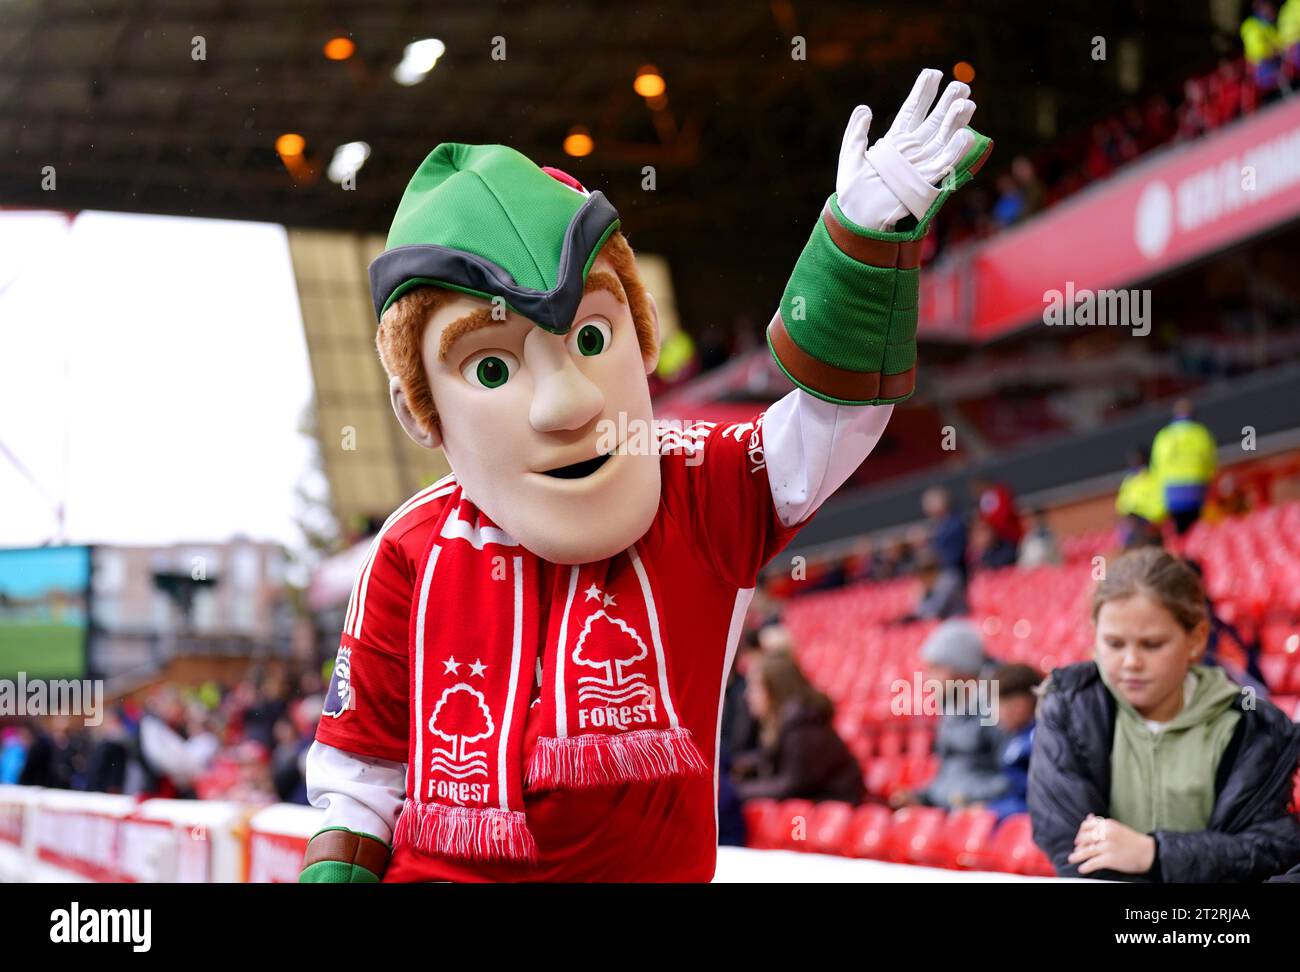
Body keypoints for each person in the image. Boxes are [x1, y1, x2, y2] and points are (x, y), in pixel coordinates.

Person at [301, 71, 992, 882]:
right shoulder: (411, 551)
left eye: (590, 338)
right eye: (491, 369)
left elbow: (829, 426)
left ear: (640, 332)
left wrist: (860, 245)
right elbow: (363, 776)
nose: (565, 404)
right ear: (422, 411)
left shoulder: (699, 491)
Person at [1028, 547, 1300, 881]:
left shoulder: (1254, 726)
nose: (1131, 662)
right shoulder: (1068, 710)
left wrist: (1154, 853)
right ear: (1094, 633)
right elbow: (1069, 847)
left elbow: (1270, 850)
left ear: (1196, 639)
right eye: (1114, 644)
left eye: (1152, 644)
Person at [893, 620, 1007, 810]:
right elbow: (950, 773)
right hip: (952, 809)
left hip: (982, 818)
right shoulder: (950, 706)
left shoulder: (998, 707)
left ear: (963, 670)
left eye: (936, 668)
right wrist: (924, 797)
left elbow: (1012, 779)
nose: (928, 679)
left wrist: (963, 799)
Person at [732, 653, 864, 805]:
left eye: (755, 688)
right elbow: (767, 760)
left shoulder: (803, 728)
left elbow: (791, 785)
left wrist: (735, 790)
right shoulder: (790, 722)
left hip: (836, 812)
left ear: (775, 690)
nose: (747, 695)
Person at [1149, 399, 1216, 535]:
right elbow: (1210, 462)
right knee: (1197, 531)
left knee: (1179, 532)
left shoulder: (1164, 435)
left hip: (1172, 490)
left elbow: (1156, 466)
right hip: (1197, 487)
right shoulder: (1200, 433)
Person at [985, 664, 1042, 821]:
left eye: (997, 704)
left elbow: (1034, 802)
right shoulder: (1015, 739)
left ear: (1019, 706)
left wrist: (991, 811)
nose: (992, 712)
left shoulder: (1036, 743)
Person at [1115, 445, 1166, 547]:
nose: (1134, 461)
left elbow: (1160, 505)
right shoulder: (1129, 480)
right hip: (1133, 522)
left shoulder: (1154, 477)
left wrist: (1145, 517)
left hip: (1150, 523)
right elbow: (1121, 505)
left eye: (1137, 458)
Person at [972, 477, 1023, 568]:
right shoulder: (985, 498)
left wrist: (992, 530)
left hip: (1008, 538)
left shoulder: (998, 493)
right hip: (994, 542)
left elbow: (1002, 517)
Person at [1241, 1, 1284, 93]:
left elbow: (1280, 42)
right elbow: (1257, 50)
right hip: (1264, 68)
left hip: (1278, 62)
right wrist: (1274, 50)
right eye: (1268, 6)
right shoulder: (1251, 26)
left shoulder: (1268, 24)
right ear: (1259, 8)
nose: (1272, 8)